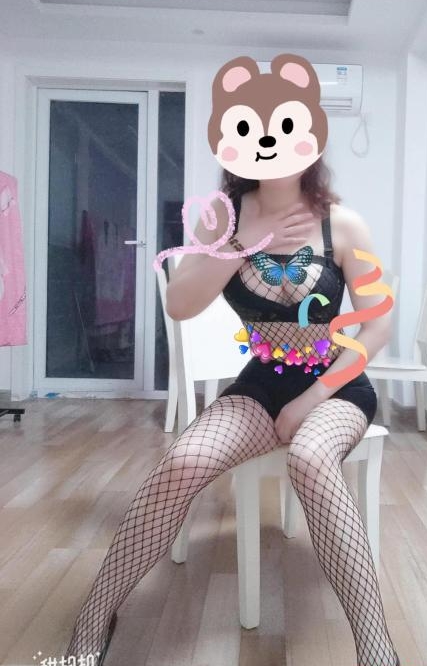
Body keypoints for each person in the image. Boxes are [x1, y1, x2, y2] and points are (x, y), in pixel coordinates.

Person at [64, 54, 400, 666]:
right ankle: (94, 619)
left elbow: (378, 325)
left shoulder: (342, 224)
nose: (269, 142)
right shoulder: (222, 219)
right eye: (251, 127)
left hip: (334, 385)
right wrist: (243, 244)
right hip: (259, 383)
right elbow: (181, 304)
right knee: (182, 460)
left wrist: (311, 399)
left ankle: (377, 649)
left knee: (311, 458)